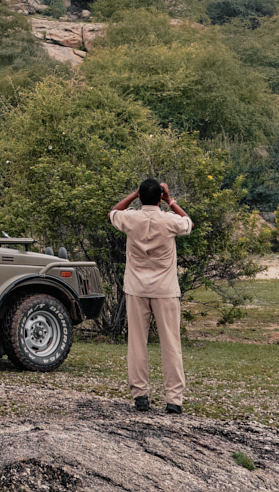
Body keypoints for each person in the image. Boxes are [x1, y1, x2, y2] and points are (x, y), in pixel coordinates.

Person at [110, 177, 193, 413]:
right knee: (171, 343)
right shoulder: (168, 220)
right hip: (165, 290)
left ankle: (140, 395)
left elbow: (113, 212)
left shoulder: (131, 219)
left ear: (140, 195)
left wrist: (134, 196)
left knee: (137, 342)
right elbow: (188, 222)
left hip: (136, 288)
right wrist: (171, 201)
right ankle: (174, 399)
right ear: (159, 197)